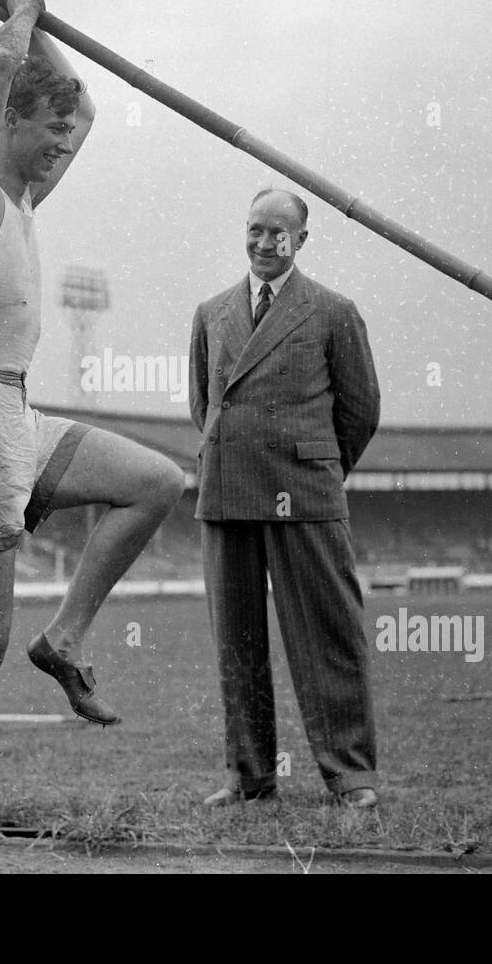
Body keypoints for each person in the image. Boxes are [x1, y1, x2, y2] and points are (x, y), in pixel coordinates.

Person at [0, 0, 184, 872]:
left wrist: (41, 23)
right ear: (11, 124)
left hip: (15, 410)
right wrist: (17, 20)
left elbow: (87, 108)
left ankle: (63, 636)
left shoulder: (25, 200)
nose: (64, 142)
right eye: (48, 128)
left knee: (154, 483)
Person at [189, 188, 381, 814]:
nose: (265, 244)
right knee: (235, 643)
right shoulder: (212, 312)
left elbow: (360, 410)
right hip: (228, 489)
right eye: (255, 230)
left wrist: (318, 467)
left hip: (303, 492)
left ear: (302, 239)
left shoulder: (333, 310)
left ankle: (350, 777)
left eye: (279, 233)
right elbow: (203, 407)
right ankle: (250, 777)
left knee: (330, 637)